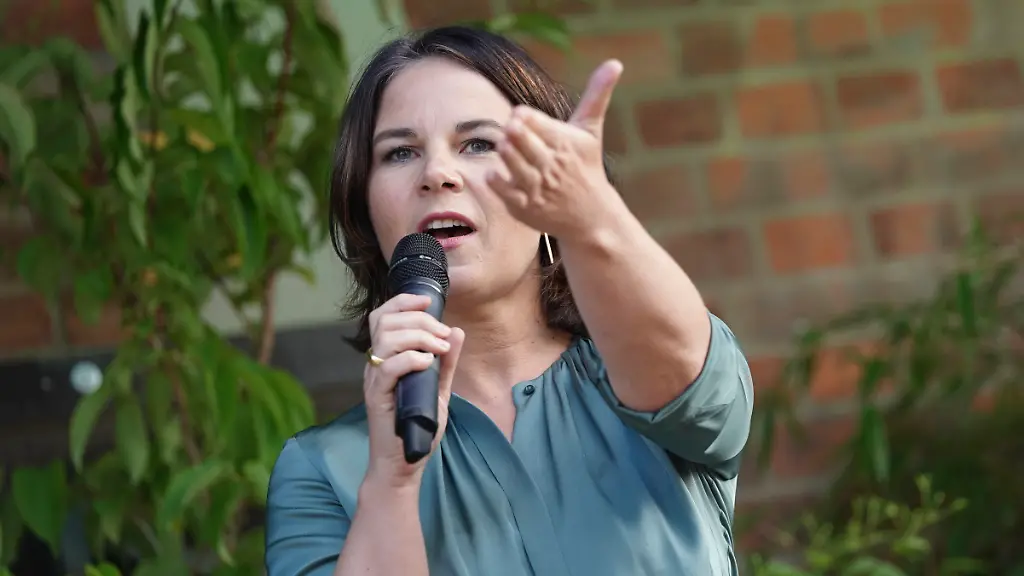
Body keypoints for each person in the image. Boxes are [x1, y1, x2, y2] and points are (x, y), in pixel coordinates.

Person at [264, 25, 754, 576]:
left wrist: (591, 215)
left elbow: (684, 376)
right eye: (400, 152)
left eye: (478, 144)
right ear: (365, 210)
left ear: (547, 182)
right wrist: (392, 480)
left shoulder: (637, 375)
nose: (437, 174)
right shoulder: (321, 471)